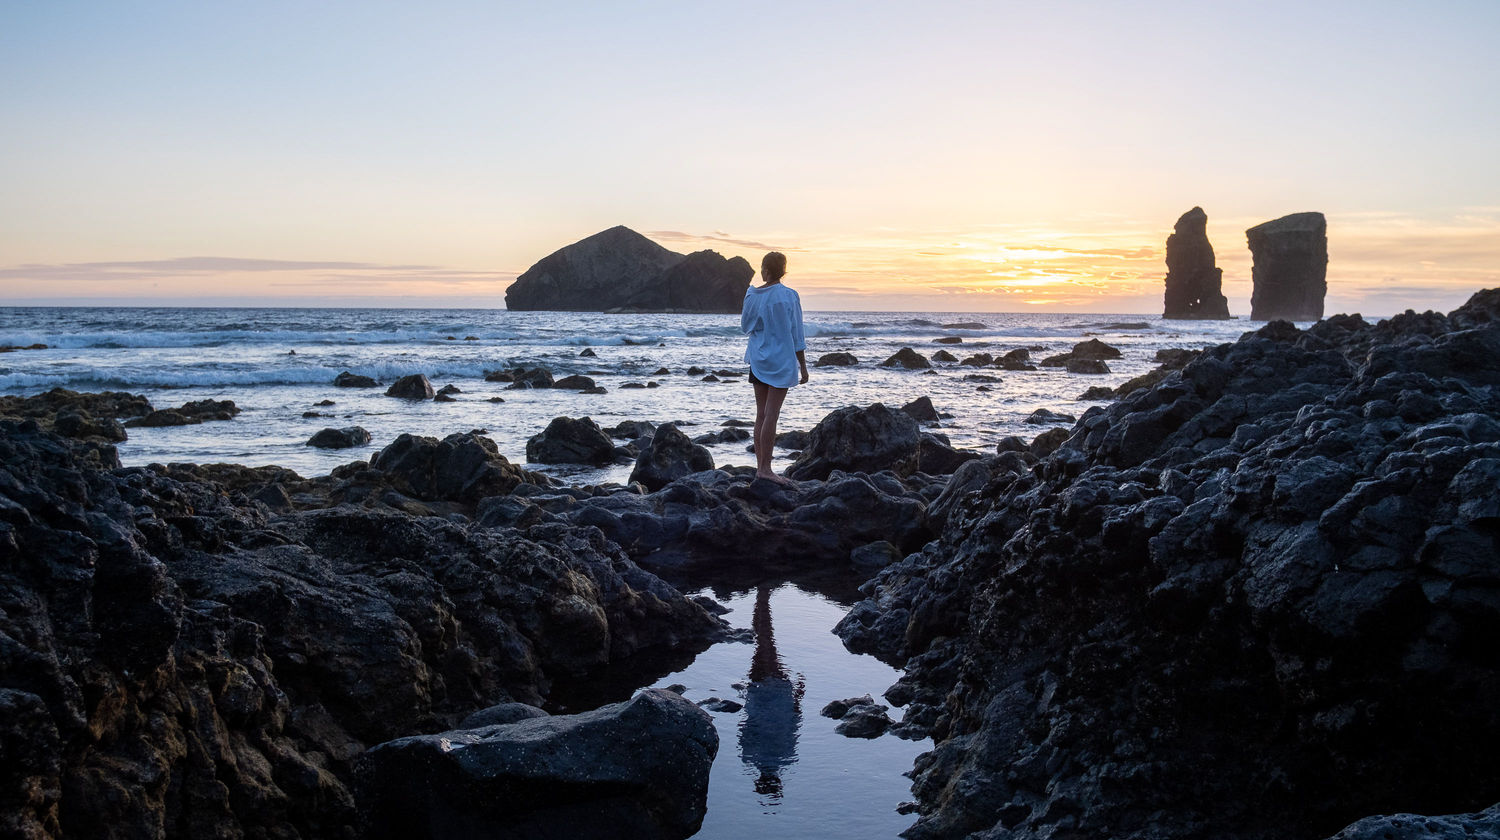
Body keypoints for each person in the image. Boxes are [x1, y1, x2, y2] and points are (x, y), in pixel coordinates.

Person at [741, 251, 808, 485]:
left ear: (766, 270)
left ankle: (761, 467)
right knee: (772, 415)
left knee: (761, 414)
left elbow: (745, 326)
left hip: (759, 359)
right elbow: (797, 334)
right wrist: (803, 366)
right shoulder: (790, 296)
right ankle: (766, 469)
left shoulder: (752, 296)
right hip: (782, 361)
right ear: (783, 270)